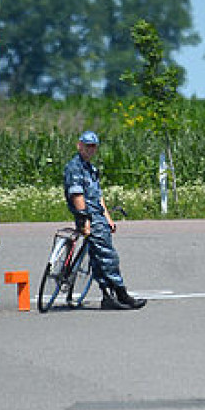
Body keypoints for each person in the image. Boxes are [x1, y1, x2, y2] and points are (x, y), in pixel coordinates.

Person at [63, 130, 147, 310]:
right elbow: (77, 195)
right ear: (79, 145)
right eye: (87, 146)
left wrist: (108, 218)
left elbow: (98, 196)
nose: (90, 150)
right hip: (88, 217)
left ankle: (107, 295)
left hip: (97, 216)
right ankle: (121, 293)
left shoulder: (91, 169)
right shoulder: (75, 167)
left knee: (98, 256)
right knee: (109, 256)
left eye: (93, 147)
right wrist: (84, 220)